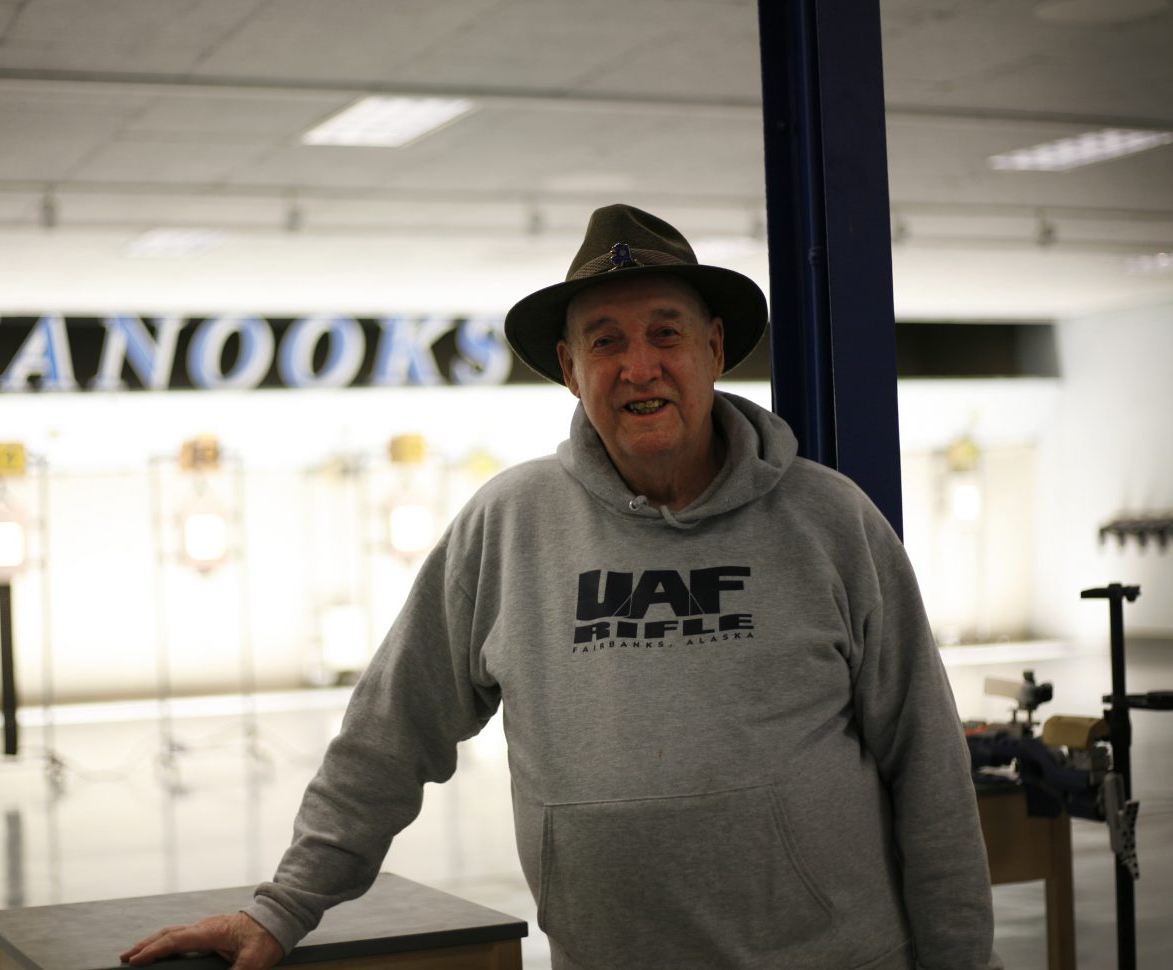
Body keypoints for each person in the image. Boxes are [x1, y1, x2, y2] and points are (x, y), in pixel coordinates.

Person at [122, 204, 994, 970]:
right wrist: (282, 906)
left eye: (665, 332)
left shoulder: (831, 521)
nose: (638, 365)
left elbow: (928, 764)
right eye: (604, 342)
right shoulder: (509, 524)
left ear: (715, 348)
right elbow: (390, 734)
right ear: (571, 371)